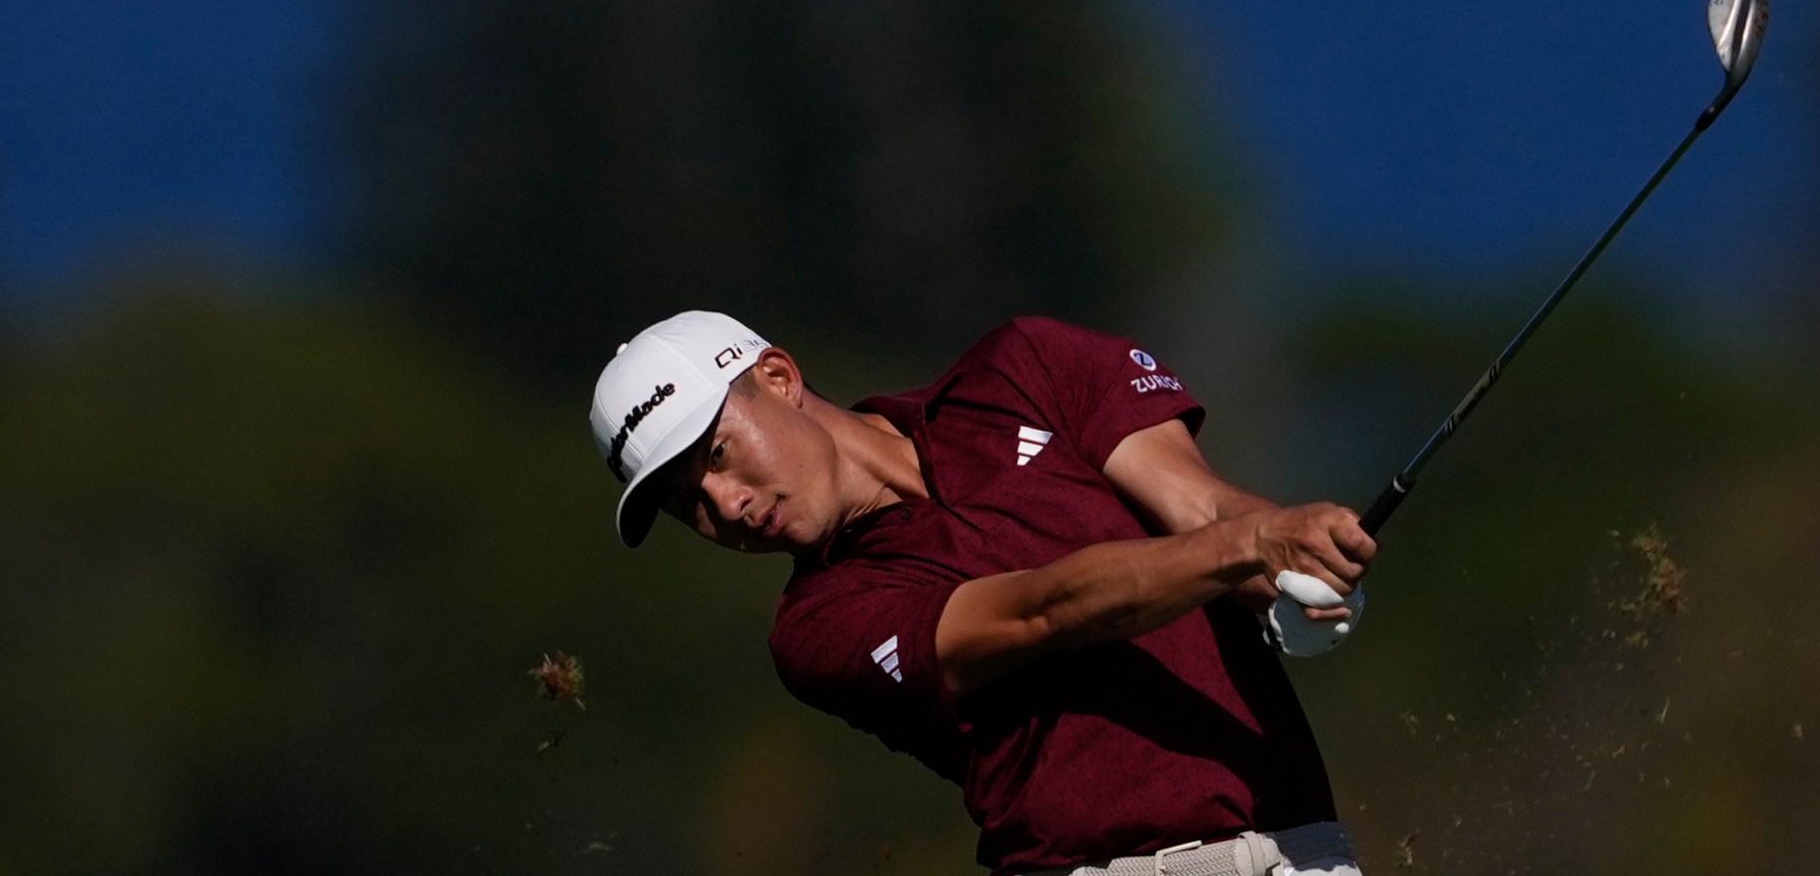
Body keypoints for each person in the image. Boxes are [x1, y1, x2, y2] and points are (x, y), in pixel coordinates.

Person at [588, 310, 1380, 876]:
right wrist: (1245, 546)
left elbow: (1203, 507)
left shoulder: (1025, 366)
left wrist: (1291, 558)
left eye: (719, 454)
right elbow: (1043, 609)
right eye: (687, 503)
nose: (725, 505)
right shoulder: (818, 627)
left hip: (1305, 855)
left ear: (778, 377)